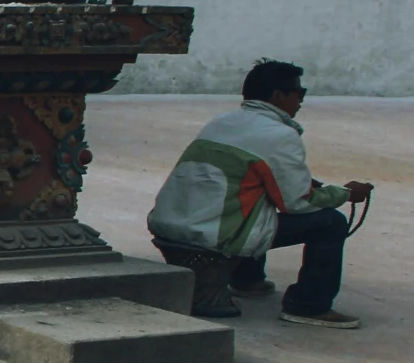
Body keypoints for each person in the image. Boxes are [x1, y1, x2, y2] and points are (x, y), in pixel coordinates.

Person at [147, 59, 375, 328]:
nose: (301, 101)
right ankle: (309, 305)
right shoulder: (280, 135)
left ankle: (248, 280)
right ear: (278, 95)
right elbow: (298, 202)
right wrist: (346, 194)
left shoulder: (221, 122)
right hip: (214, 233)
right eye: (299, 93)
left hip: (172, 225)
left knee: (252, 196)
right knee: (330, 222)